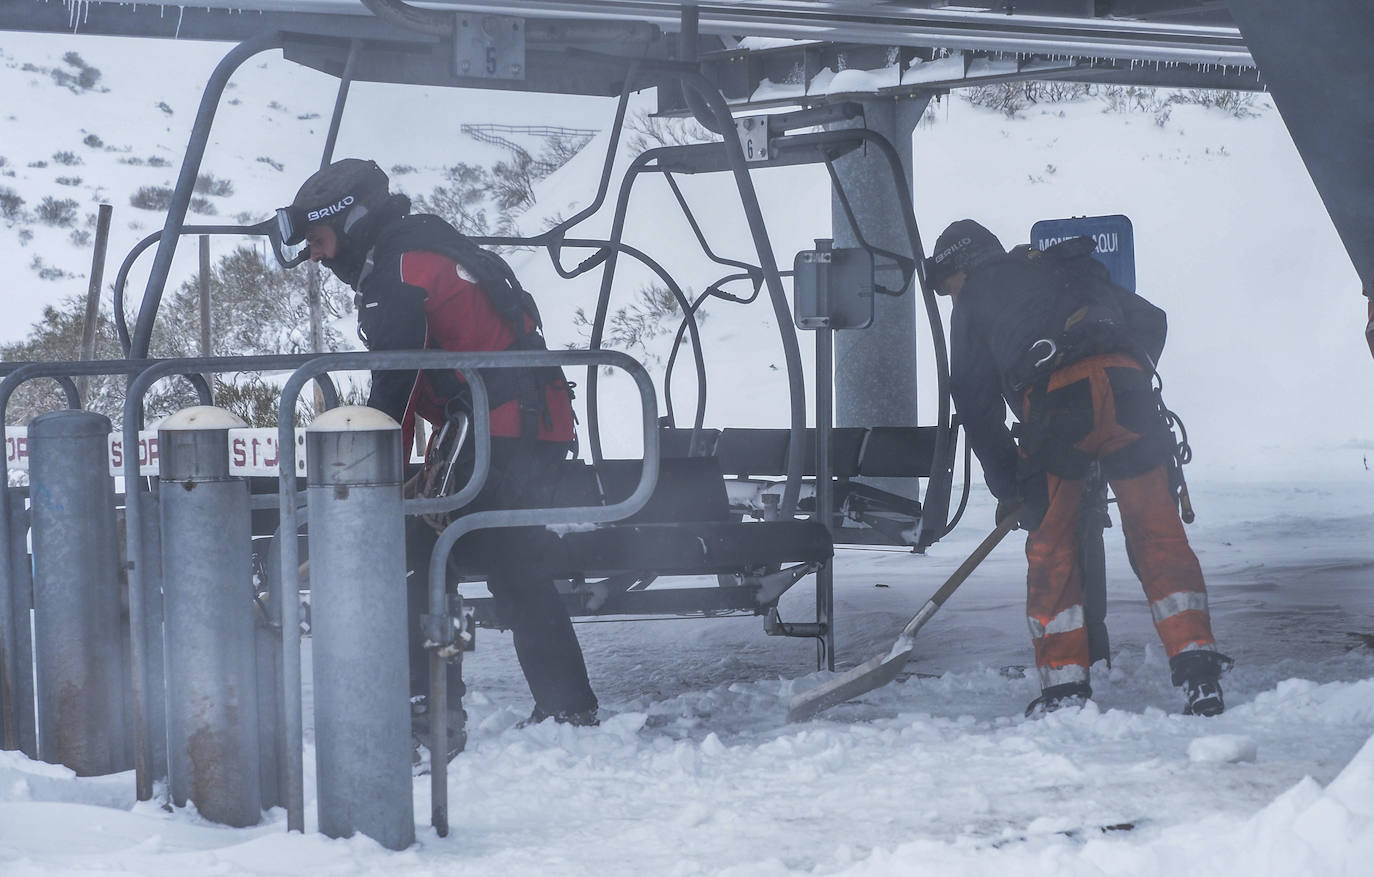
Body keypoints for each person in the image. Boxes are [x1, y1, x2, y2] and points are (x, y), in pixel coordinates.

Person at [276, 159, 600, 759]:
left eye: (319, 242)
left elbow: (392, 391)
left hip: (502, 428)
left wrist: (376, 487)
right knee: (514, 564)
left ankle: (429, 714)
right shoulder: (421, 248)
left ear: (352, 223)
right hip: (524, 425)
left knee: (419, 556)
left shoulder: (398, 272)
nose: (317, 258)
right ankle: (565, 706)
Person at [926, 218, 1232, 718]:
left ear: (960, 267)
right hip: (1131, 397)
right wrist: (1118, 369)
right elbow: (1151, 320)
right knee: (1159, 534)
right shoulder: (1057, 268)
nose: (950, 295)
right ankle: (1199, 670)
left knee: (1053, 548)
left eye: (947, 285)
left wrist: (1010, 482)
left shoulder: (976, 295)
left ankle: (1066, 690)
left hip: (1057, 411)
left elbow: (977, 405)